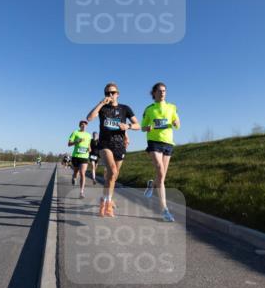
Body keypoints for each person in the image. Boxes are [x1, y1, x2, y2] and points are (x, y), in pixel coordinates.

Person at [87, 82, 139, 218]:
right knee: (113, 171)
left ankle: (104, 201)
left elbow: (137, 125)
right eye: (107, 93)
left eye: (113, 92)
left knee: (112, 177)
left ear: (118, 94)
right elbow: (89, 118)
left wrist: (127, 127)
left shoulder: (125, 108)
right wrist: (100, 103)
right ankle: (108, 205)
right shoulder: (103, 108)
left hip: (120, 145)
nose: (110, 95)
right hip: (105, 144)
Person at [141, 82, 180, 222]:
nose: (162, 93)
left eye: (164, 91)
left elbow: (178, 123)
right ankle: (165, 210)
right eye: (159, 91)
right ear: (154, 93)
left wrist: (176, 123)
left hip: (168, 143)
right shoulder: (149, 109)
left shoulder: (172, 107)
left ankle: (152, 184)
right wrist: (148, 128)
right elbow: (142, 127)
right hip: (154, 142)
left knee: (161, 177)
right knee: (160, 170)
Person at [67, 120, 93, 198]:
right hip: (76, 156)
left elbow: (89, 145)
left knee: (82, 173)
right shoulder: (75, 133)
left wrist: (89, 149)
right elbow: (69, 144)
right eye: (82, 125)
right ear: (80, 126)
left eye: (85, 125)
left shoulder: (89, 135)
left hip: (84, 157)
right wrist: (76, 141)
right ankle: (74, 177)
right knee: (76, 172)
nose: (84, 126)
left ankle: (81, 192)